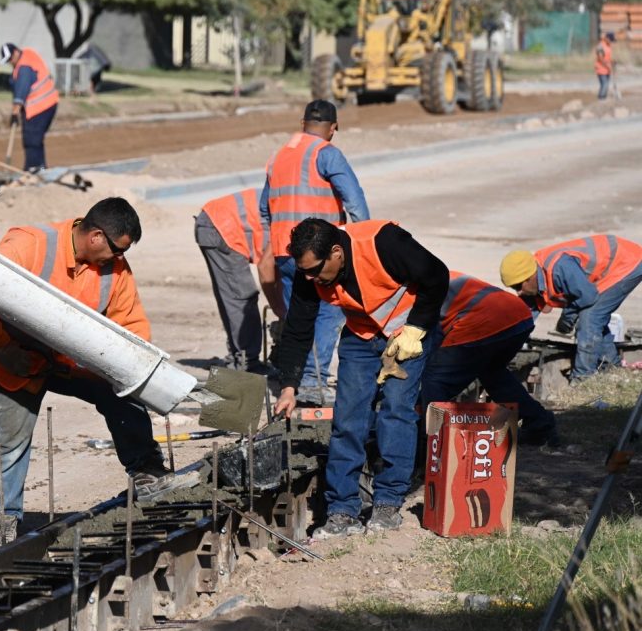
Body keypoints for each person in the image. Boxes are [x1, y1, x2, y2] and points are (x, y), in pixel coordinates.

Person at [0, 198, 192, 549]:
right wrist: (1, 348)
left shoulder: (115, 269)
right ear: (95, 236)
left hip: (66, 359)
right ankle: (5, 522)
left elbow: (130, 325)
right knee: (12, 438)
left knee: (122, 392)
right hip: (11, 359)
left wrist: (135, 372)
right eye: (117, 250)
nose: (119, 259)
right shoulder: (29, 245)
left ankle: (147, 472)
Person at [272, 218, 448, 539]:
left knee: (396, 410)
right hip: (361, 334)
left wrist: (417, 327)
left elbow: (437, 275)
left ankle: (388, 502)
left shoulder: (382, 241)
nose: (310, 277)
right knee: (348, 418)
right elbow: (298, 328)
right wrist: (289, 386)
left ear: (337, 252)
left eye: (315, 270)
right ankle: (342, 509)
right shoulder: (308, 272)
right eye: (305, 271)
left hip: (407, 332)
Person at [259, 99, 370, 405]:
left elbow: (264, 209)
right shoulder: (327, 153)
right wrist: (361, 242)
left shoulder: (278, 157)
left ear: (302, 123)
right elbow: (355, 201)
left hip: (285, 251)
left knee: (297, 317)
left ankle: (291, 379)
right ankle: (310, 381)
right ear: (333, 128)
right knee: (327, 313)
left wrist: (275, 243)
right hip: (320, 254)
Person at [421, 272, 559, 446]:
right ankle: (540, 425)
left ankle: (432, 446)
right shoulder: (437, 273)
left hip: (486, 322)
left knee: (434, 380)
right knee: (493, 375)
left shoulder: (411, 289)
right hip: (519, 318)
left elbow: (431, 338)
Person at [500, 235, 642, 381]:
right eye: (513, 288)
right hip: (607, 269)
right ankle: (612, 368)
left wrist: (566, 320)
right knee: (594, 321)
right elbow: (523, 318)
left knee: (590, 317)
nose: (518, 292)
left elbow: (587, 296)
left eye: (518, 286)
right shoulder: (532, 279)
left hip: (625, 262)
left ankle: (582, 380)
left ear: (530, 277)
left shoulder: (560, 267)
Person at [195, 188, 274, 374]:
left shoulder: (292, 203)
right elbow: (266, 269)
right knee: (241, 297)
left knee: (232, 295)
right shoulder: (291, 217)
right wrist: (280, 309)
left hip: (215, 222)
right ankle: (247, 363)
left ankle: (240, 356)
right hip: (221, 226)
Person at [0, 42, 59, 172]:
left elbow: (21, 90)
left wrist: (15, 113)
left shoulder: (24, 67)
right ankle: (41, 168)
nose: (10, 62)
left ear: (16, 52)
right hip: (49, 103)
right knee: (36, 139)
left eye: (10, 59)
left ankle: (32, 170)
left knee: (31, 139)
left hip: (40, 106)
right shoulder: (28, 55)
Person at [595, 32, 615, 100]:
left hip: (607, 70)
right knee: (604, 85)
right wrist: (607, 65)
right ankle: (601, 99)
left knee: (606, 85)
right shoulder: (600, 46)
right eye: (610, 40)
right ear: (606, 38)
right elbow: (600, 58)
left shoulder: (608, 46)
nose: (611, 42)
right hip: (601, 69)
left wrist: (612, 62)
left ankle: (604, 98)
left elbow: (608, 57)